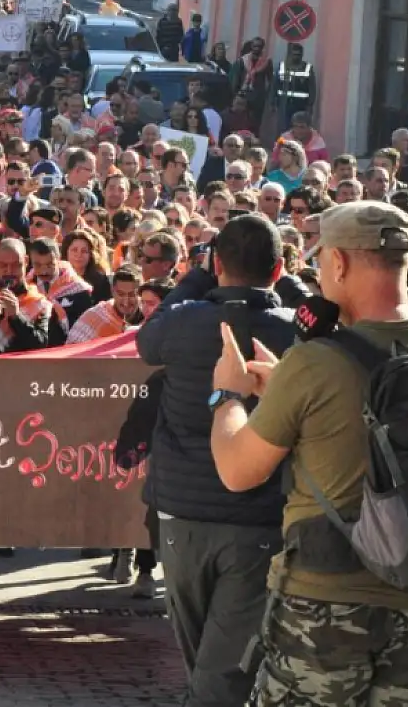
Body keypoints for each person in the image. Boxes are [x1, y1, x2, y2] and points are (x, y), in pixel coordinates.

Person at [209, 202, 408, 705]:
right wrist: (288, 397)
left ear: (339, 263)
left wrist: (228, 395)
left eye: (320, 265)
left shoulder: (313, 362)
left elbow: (236, 470)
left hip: (327, 599)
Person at [136, 215, 298, 705]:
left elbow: (147, 341)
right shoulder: (296, 332)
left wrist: (196, 276)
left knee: (207, 663)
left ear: (217, 262)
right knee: (222, 664)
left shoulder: (183, 319)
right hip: (257, 516)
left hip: (183, 514)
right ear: (279, 269)